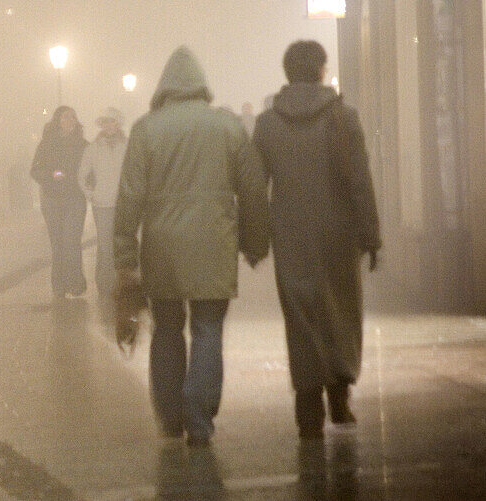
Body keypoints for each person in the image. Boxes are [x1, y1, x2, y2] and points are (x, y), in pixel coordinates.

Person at [114, 46, 269, 446]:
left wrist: (125, 258)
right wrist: (254, 242)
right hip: (213, 242)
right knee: (207, 329)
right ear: (202, 85)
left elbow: (129, 197)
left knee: (166, 329)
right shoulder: (228, 127)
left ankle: (169, 416)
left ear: (163, 87)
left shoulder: (146, 129)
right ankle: (200, 417)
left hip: (162, 247)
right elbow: (252, 189)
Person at [251, 40, 381, 440]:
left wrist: (255, 238)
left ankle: (308, 407)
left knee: (301, 313)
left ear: (287, 72)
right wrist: (371, 234)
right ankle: (339, 396)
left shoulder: (267, 123)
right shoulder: (343, 117)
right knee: (340, 309)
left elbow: (257, 186)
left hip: (290, 230)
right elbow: (359, 180)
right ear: (321, 70)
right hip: (339, 232)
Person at [31, 106, 89, 299]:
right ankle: (59, 285)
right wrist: (50, 175)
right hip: (52, 199)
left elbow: (91, 171)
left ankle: (75, 282)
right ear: (58, 120)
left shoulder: (83, 145)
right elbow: (35, 170)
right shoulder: (47, 144)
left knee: (72, 241)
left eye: (73, 117)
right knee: (57, 243)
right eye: (66, 117)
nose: (70, 120)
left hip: (75, 198)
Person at [77, 106, 127, 302]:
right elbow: (82, 175)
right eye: (105, 122)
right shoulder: (93, 148)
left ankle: (121, 282)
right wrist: (93, 194)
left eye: (112, 121)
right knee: (105, 244)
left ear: (118, 124)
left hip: (123, 204)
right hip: (103, 204)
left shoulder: (128, 145)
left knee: (121, 244)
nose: (109, 126)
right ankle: (106, 284)